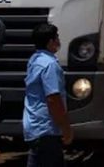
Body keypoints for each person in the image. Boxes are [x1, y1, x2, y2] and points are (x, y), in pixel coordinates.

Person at [23, 23, 72, 167]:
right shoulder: (50, 65)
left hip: (34, 127)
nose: (58, 41)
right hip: (47, 130)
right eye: (56, 37)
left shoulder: (35, 61)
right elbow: (53, 99)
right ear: (51, 42)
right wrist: (66, 128)